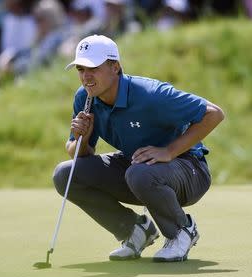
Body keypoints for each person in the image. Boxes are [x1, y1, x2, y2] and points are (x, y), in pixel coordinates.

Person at [53, 35, 225, 262]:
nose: (86, 77)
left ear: (115, 67)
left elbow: (213, 113)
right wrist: (82, 139)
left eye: (93, 68)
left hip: (189, 170)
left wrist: (169, 151)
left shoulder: (150, 94)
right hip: (139, 167)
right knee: (66, 174)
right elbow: (79, 153)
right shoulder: (85, 98)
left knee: (139, 172)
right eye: (81, 69)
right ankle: (135, 232)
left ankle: (181, 231)